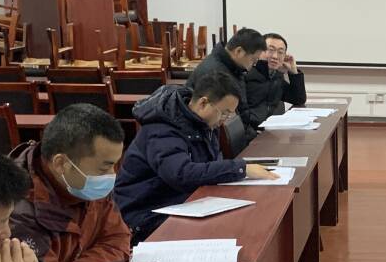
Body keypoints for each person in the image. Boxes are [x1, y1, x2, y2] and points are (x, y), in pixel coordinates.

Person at [10, 104, 176, 262]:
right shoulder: (16, 212)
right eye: (104, 168)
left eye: (115, 165)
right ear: (61, 163)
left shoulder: (82, 183)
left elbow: (118, 240)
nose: (112, 175)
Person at [114, 72, 279, 244]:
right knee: (226, 228)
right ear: (203, 103)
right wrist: (240, 168)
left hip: (181, 201)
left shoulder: (203, 124)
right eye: (224, 113)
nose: (224, 120)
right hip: (146, 213)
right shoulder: (162, 129)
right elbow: (181, 174)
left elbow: (211, 163)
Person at [190, 27, 271, 155]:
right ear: (239, 51)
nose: (253, 65)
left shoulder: (234, 68)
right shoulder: (216, 72)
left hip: (234, 138)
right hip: (212, 143)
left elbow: (241, 112)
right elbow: (223, 122)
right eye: (253, 60)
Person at [229, 32, 307, 138]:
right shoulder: (245, 76)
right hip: (251, 137)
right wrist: (254, 135)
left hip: (272, 134)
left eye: (280, 52)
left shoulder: (276, 76)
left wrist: (293, 72)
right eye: (270, 50)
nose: (275, 56)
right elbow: (239, 116)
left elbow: (298, 99)